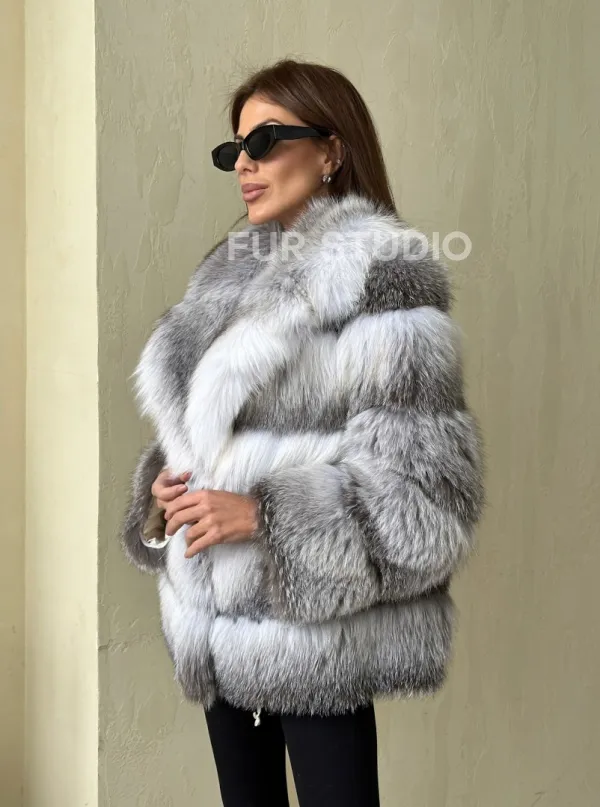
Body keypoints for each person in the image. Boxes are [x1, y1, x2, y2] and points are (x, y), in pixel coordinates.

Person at [120, 58, 485, 807]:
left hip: (314, 629)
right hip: (215, 628)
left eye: (265, 141)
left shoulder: (383, 280)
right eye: (235, 149)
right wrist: (162, 494)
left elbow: (431, 500)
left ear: (330, 151)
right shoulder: (227, 278)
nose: (244, 164)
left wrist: (265, 514)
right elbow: (214, 435)